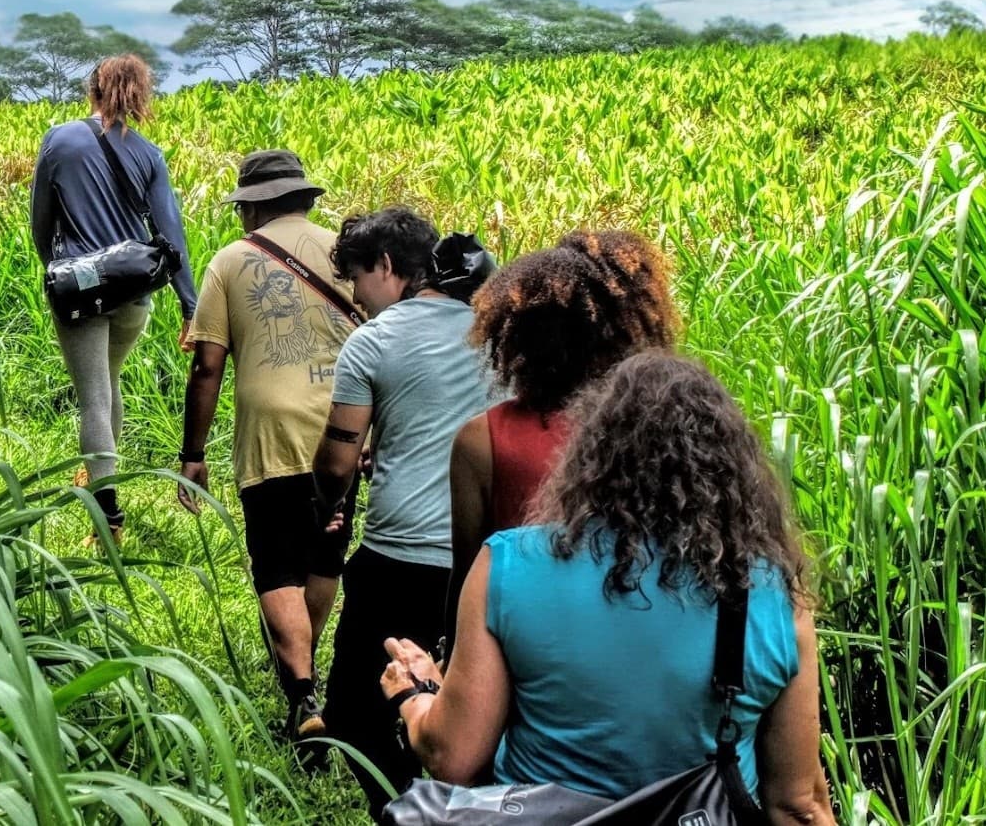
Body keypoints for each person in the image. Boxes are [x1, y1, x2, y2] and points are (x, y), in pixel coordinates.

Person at [381, 352, 836, 826]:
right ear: (730, 468)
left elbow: (453, 756)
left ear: (592, 456)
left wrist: (418, 696)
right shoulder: (769, 593)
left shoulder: (508, 565)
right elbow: (798, 805)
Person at [310, 207, 494, 810]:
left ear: (387, 266)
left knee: (352, 710)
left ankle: (402, 810)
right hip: (486, 560)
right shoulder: (496, 338)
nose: (356, 298)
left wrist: (327, 506)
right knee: (470, 707)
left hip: (397, 556)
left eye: (357, 279)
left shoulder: (374, 340)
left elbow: (336, 463)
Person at [178, 149, 358, 743]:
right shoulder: (346, 254)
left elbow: (207, 366)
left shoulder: (230, 261)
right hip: (343, 425)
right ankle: (304, 667)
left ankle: (302, 691)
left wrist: (194, 452)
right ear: (303, 199)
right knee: (324, 554)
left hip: (270, 431)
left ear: (253, 207)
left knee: (277, 563)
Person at [446, 229, 681, 625]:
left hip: (523, 637)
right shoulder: (664, 428)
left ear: (520, 335)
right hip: (641, 629)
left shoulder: (483, 438)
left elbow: (468, 582)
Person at [30, 54, 197, 543]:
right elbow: (171, 235)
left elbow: (41, 219)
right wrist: (190, 304)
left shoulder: (59, 139)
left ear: (93, 90)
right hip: (133, 292)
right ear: (140, 94)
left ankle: (107, 518)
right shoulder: (150, 154)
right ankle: (100, 472)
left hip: (81, 291)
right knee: (109, 383)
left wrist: (56, 268)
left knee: (94, 401)